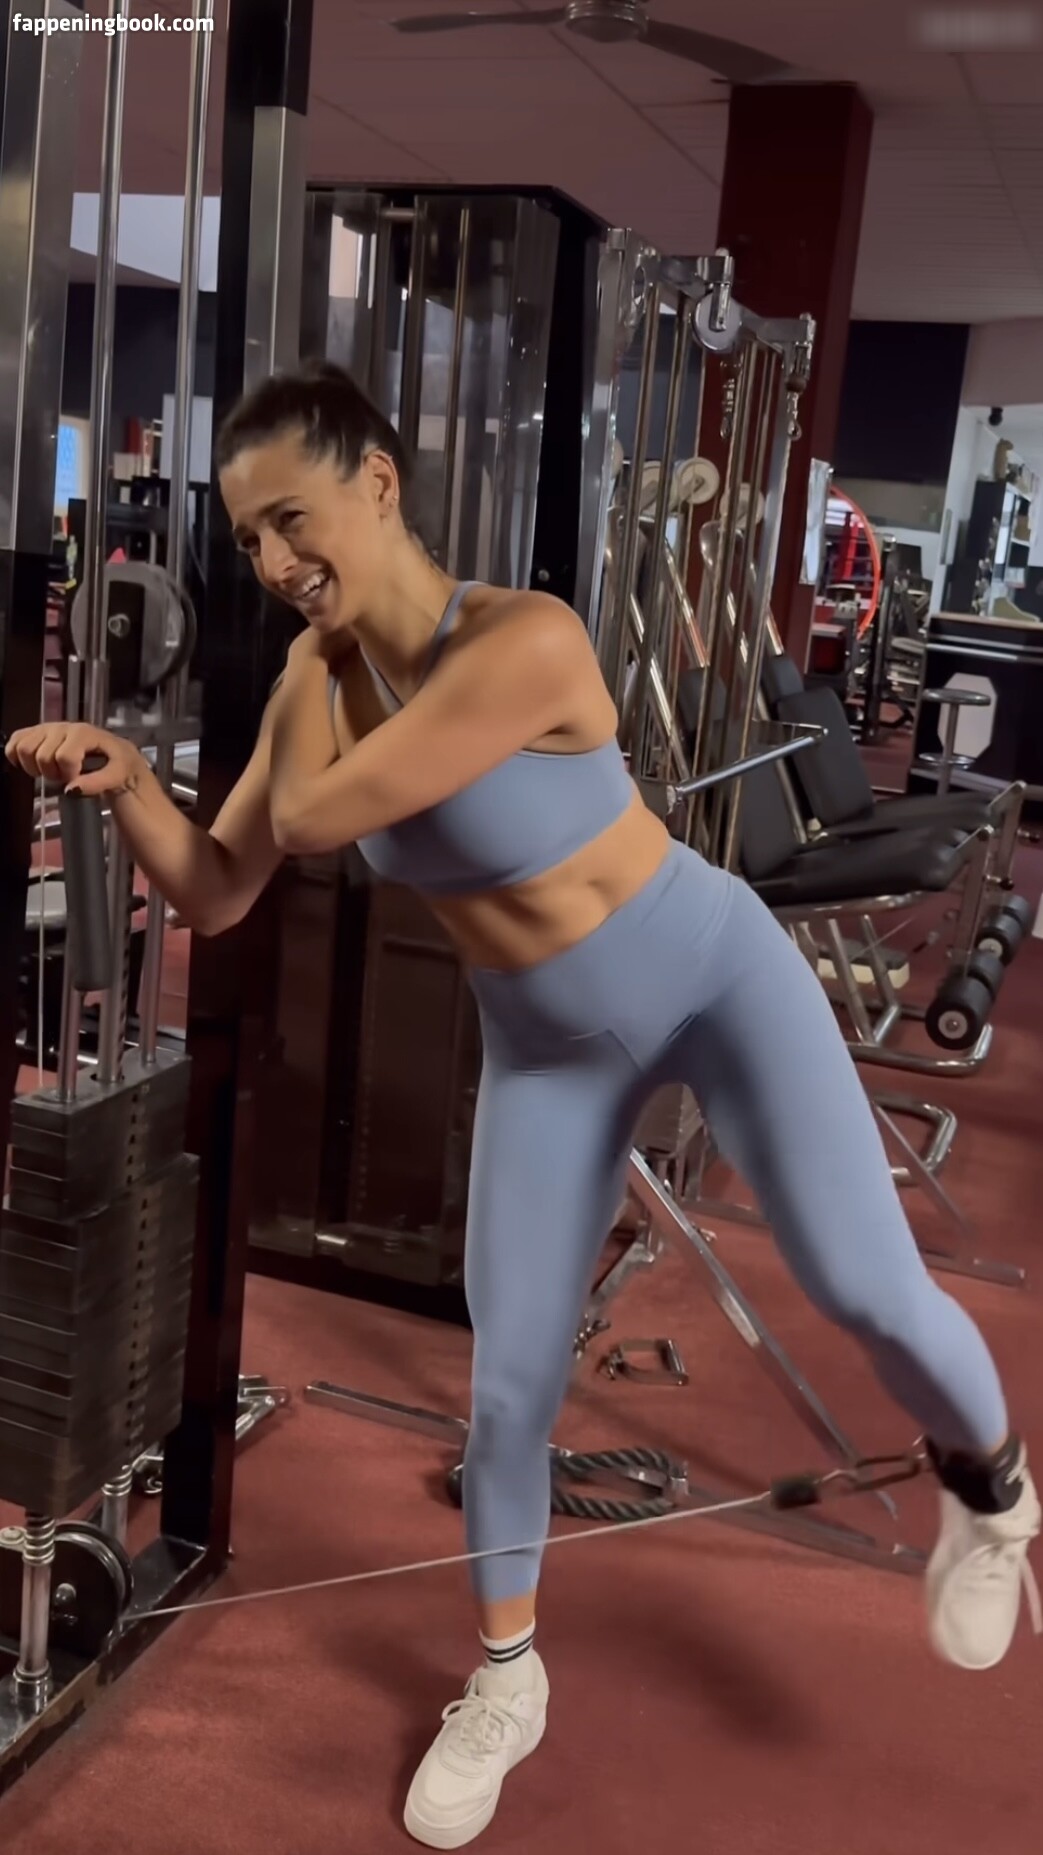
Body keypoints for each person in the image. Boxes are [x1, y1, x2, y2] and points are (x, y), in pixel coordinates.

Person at [7, 362, 1039, 1849]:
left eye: (292, 521)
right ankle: (506, 1677)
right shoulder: (312, 685)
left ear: (377, 483)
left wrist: (291, 715)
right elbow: (223, 889)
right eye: (247, 540)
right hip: (549, 1049)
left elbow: (314, 815)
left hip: (710, 975)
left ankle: (994, 1491)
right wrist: (127, 785)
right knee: (506, 1389)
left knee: (865, 1287)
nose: (275, 564)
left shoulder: (523, 640)